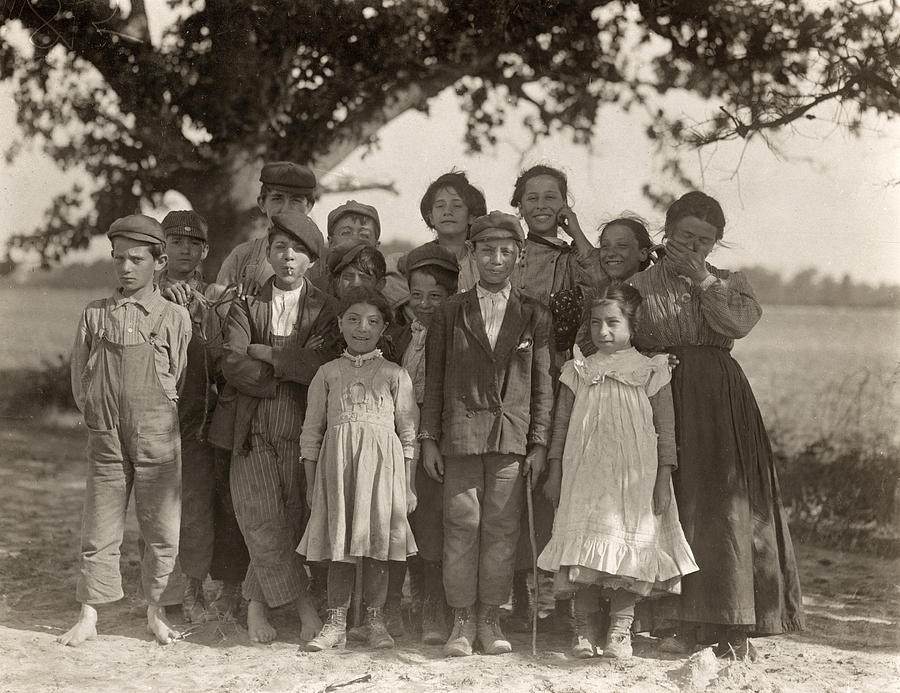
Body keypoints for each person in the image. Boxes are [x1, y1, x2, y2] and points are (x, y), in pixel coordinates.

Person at [629, 191, 804, 659]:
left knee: (726, 509)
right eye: (686, 236)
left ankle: (731, 621)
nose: (694, 247)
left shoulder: (730, 282)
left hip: (722, 401)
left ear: (716, 244)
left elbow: (737, 325)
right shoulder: (641, 285)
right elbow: (628, 337)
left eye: (705, 240)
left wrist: (704, 281)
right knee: (676, 503)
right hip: (664, 396)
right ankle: (677, 622)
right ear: (667, 232)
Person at [538, 284, 699, 659]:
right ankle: (582, 629)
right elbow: (560, 427)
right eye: (595, 323)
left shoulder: (650, 369)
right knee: (584, 552)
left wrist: (663, 477)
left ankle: (620, 631)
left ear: (632, 324)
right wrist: (556, 471)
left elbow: (666, 429)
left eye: (613, 322)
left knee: (629, 547)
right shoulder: (578, 369)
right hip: (585, 474)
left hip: (634, 478)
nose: (603, 331)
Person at [420, 211, 554, 657]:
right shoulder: (449, 312)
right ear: (471, 254)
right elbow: (435, 379)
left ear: (520, 255)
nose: (496, 259)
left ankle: (490, 617)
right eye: (487, 251)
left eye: (506, 251)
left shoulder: (534, 313)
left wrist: (538, 443)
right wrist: (430, 439)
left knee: (502, 527)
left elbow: (541, 385)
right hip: (459, 436)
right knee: (461, 524)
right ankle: (461, 619)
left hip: (512, 440)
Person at [61, 214, 191, 646]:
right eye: (118, 259)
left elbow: (180, 379)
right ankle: (89, 614)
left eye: (136, 259)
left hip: (157, 433)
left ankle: (157, 611)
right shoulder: (95, 314)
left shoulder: (174, 317)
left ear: (160, 261)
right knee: (98, 524)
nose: (125, 268)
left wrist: (154, 417)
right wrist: (99, 416)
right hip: (106, 435)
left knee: (161, 525)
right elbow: (81, 377)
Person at [220, 210, 340, 644]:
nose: (289, 257)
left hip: (303, 423)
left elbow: (320, 365)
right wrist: (284, 372)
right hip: (250, 426)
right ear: (268, 253)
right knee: (259, 516)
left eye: (299, 251)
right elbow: (233, 362)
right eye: (280, 248)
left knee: (290, 518)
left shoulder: (326, 309)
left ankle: (256, 605)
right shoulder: (245, 304)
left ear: (312, 261)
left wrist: (269, 355)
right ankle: (303, 606)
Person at [506, 165, 609, 634]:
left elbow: (603, 288)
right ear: (519, 204)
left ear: (565, 203)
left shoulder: (573, 258)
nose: (541, 205)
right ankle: (520, 602)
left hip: (559, 373)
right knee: (514, 481)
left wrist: (579, 233)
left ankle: (562, 603)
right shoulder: (505, 251)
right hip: (508, 376)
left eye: (552, 197)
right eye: (532, 197)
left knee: (557, 483)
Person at [300, 288, 418, 651]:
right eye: (353, 319)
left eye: (372, 321)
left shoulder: (395, 375)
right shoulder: (327, 373)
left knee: (379, 545)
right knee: (340, 544)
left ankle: (374, 622)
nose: (361, 328)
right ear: (339, 323)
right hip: (338, 472)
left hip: (384, 473)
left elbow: (408, 433)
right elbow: (311, 433)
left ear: (384, 328)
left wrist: (409, 487)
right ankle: (336, 623)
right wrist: (311, 484)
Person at [157, 210, 250, 622]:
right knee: (157, 509)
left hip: (202, 417)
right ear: (161, 247)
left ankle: (194, 588)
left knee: (198, 508)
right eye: (175, 241)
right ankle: (163, 594)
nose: (184, 249)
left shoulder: (215, 296)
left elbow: (222, 356)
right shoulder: (143, 289)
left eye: (193, 243)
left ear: (205, 250)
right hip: (156, 417)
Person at [384, 243, 460, 644]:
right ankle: (394, 603)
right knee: (397, 519)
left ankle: (435, 605)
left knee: (431, 522)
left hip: (437, 440)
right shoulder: (398, 337)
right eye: (417, 296)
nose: (425, 304)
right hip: (395, 441)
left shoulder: (458, 335)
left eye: (436, 296)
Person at [382, 170, 486, 314]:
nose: (447, 211)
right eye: (440, 206)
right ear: (431, 217)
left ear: (472, 216)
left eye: (456, 206)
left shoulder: (483, 261)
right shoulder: (413, 261)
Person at [216, 161, 317, 296]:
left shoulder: (322, 261)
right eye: (277, 199)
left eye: (295, 200)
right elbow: (218, 308)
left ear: (309, 206)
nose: (286, 208)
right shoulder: (242, 256)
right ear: (262, 203)